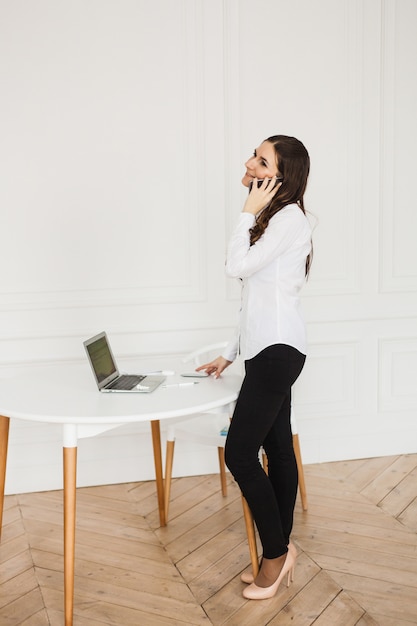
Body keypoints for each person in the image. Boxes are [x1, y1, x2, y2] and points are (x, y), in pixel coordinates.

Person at [196, 135, 312, 600]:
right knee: (278, 450)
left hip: (278, 352)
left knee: (239, 455)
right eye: (254, 153)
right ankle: (281, 550)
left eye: (261, 161)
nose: (249, 163)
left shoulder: (285, 218)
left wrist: (246, 210)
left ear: (278, 179)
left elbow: (235, 267)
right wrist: (231, 350)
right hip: (271, 348)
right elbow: (257, 300)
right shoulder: (277, 219)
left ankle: (277, 554)